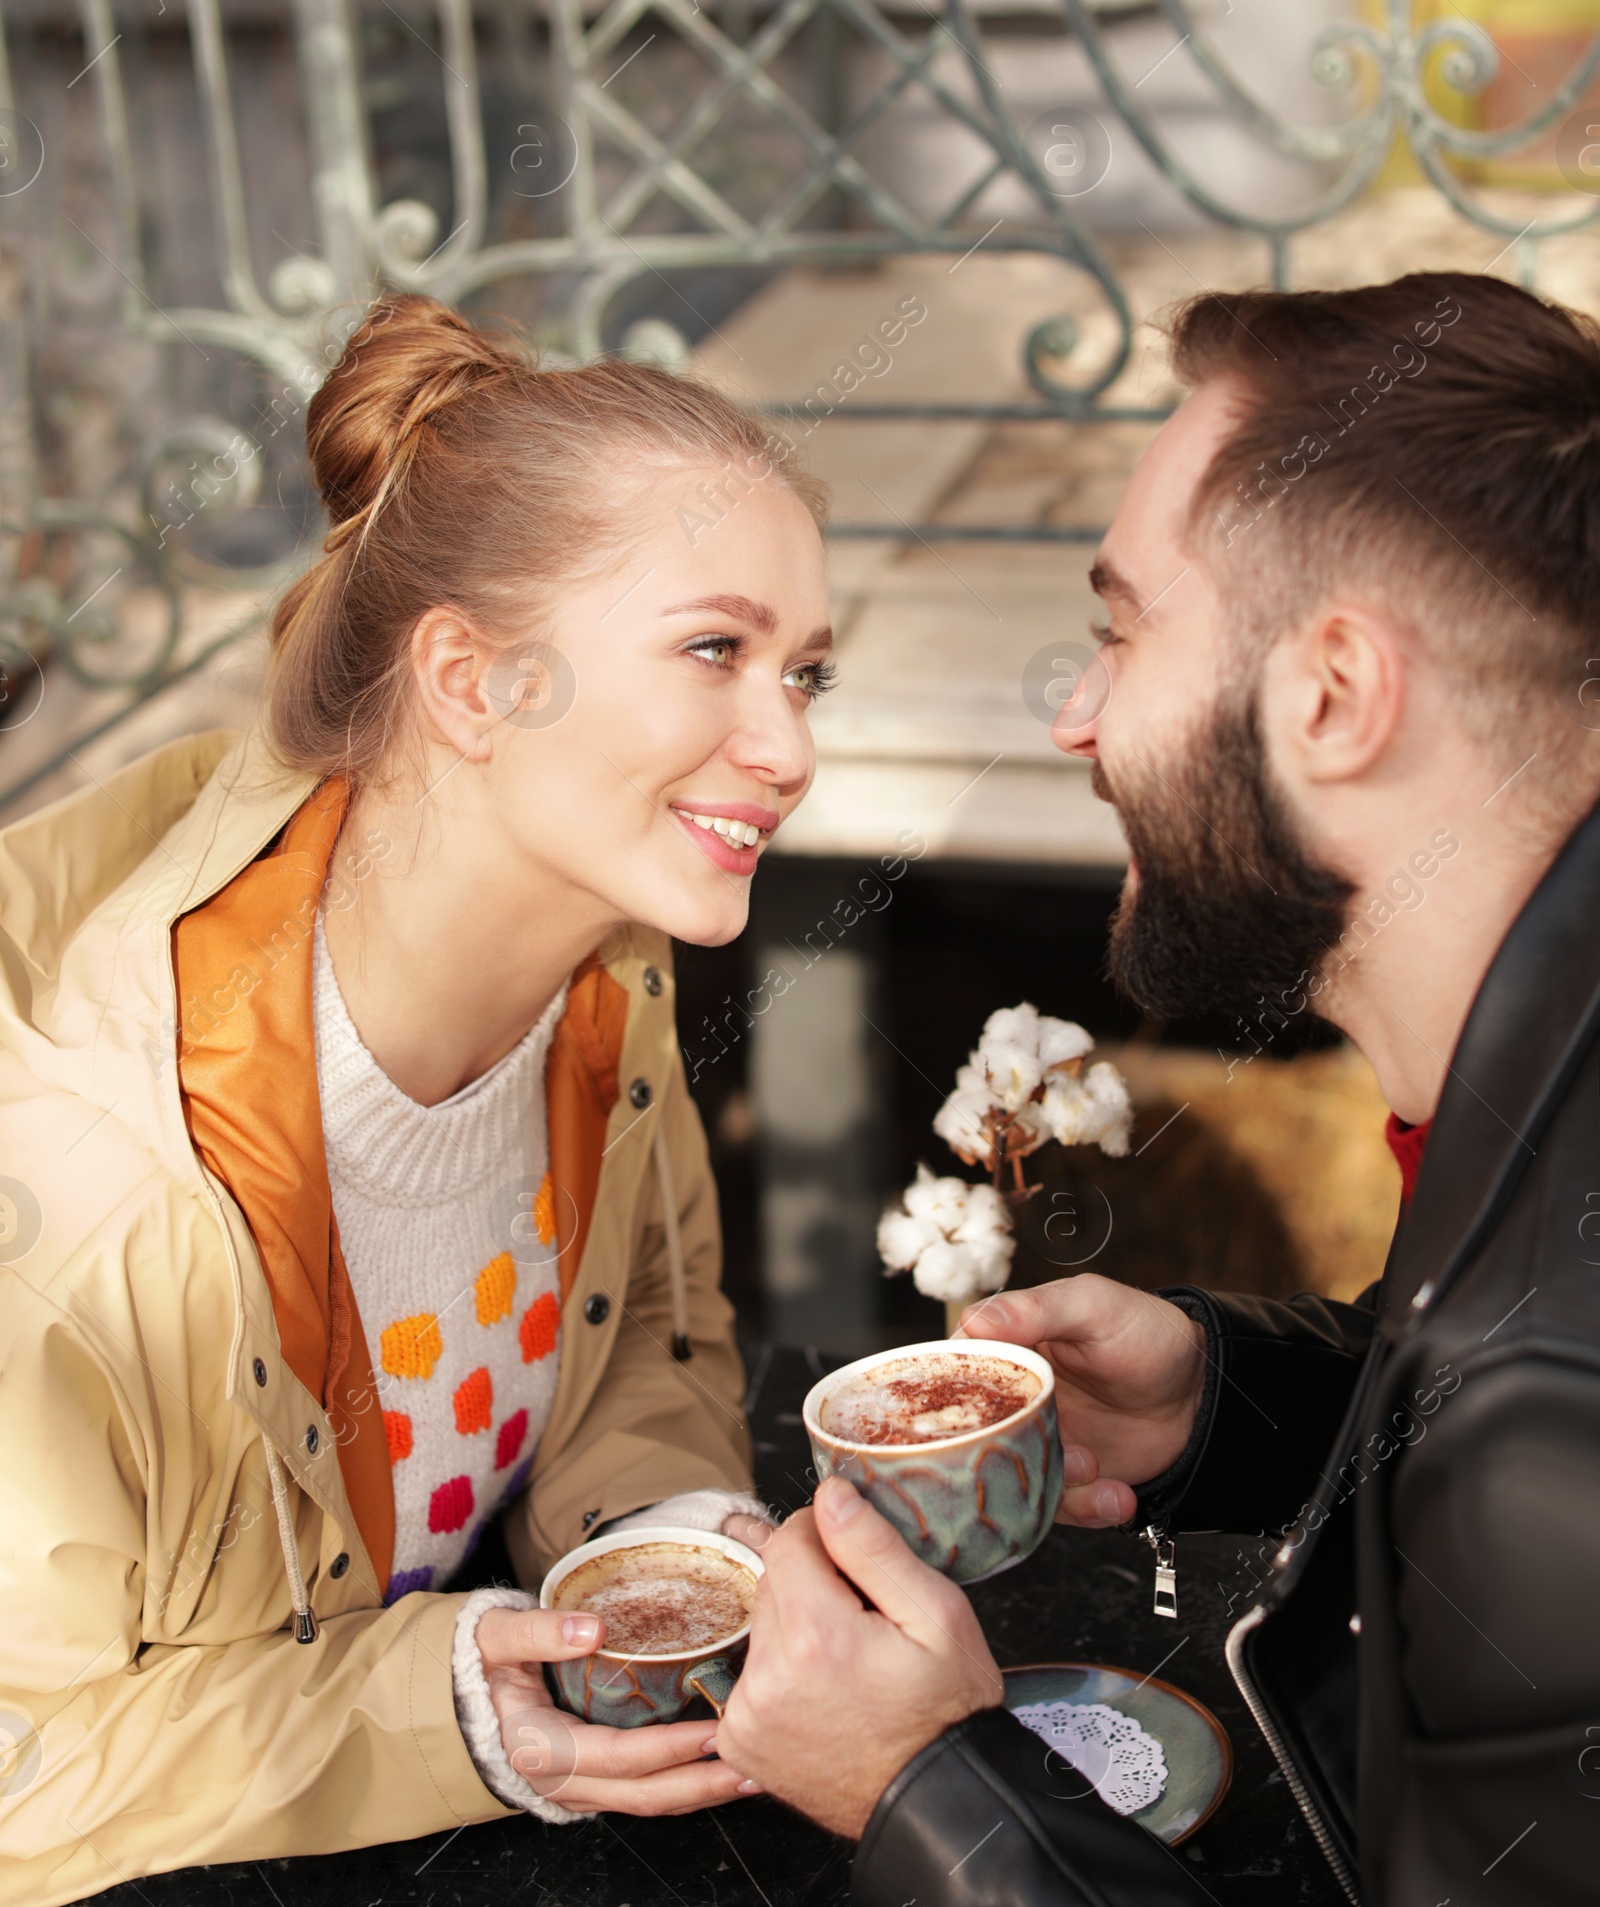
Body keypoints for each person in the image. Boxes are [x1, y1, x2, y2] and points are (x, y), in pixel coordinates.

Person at [716, 269, 1600, 1905]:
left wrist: (929, 1789)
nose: (1077, 713)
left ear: (1332, 695)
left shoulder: (1550, 1433)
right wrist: (1230, 1401)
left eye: (1123, 630)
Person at [0, 296, 832, 1902]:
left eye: (809, 669)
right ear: (472, 681)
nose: (788, 744)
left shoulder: (611, 969)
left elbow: (644, 1335)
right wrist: (447, 1707)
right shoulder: (78, 1184)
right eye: (715, 650)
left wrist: (667, 1537)